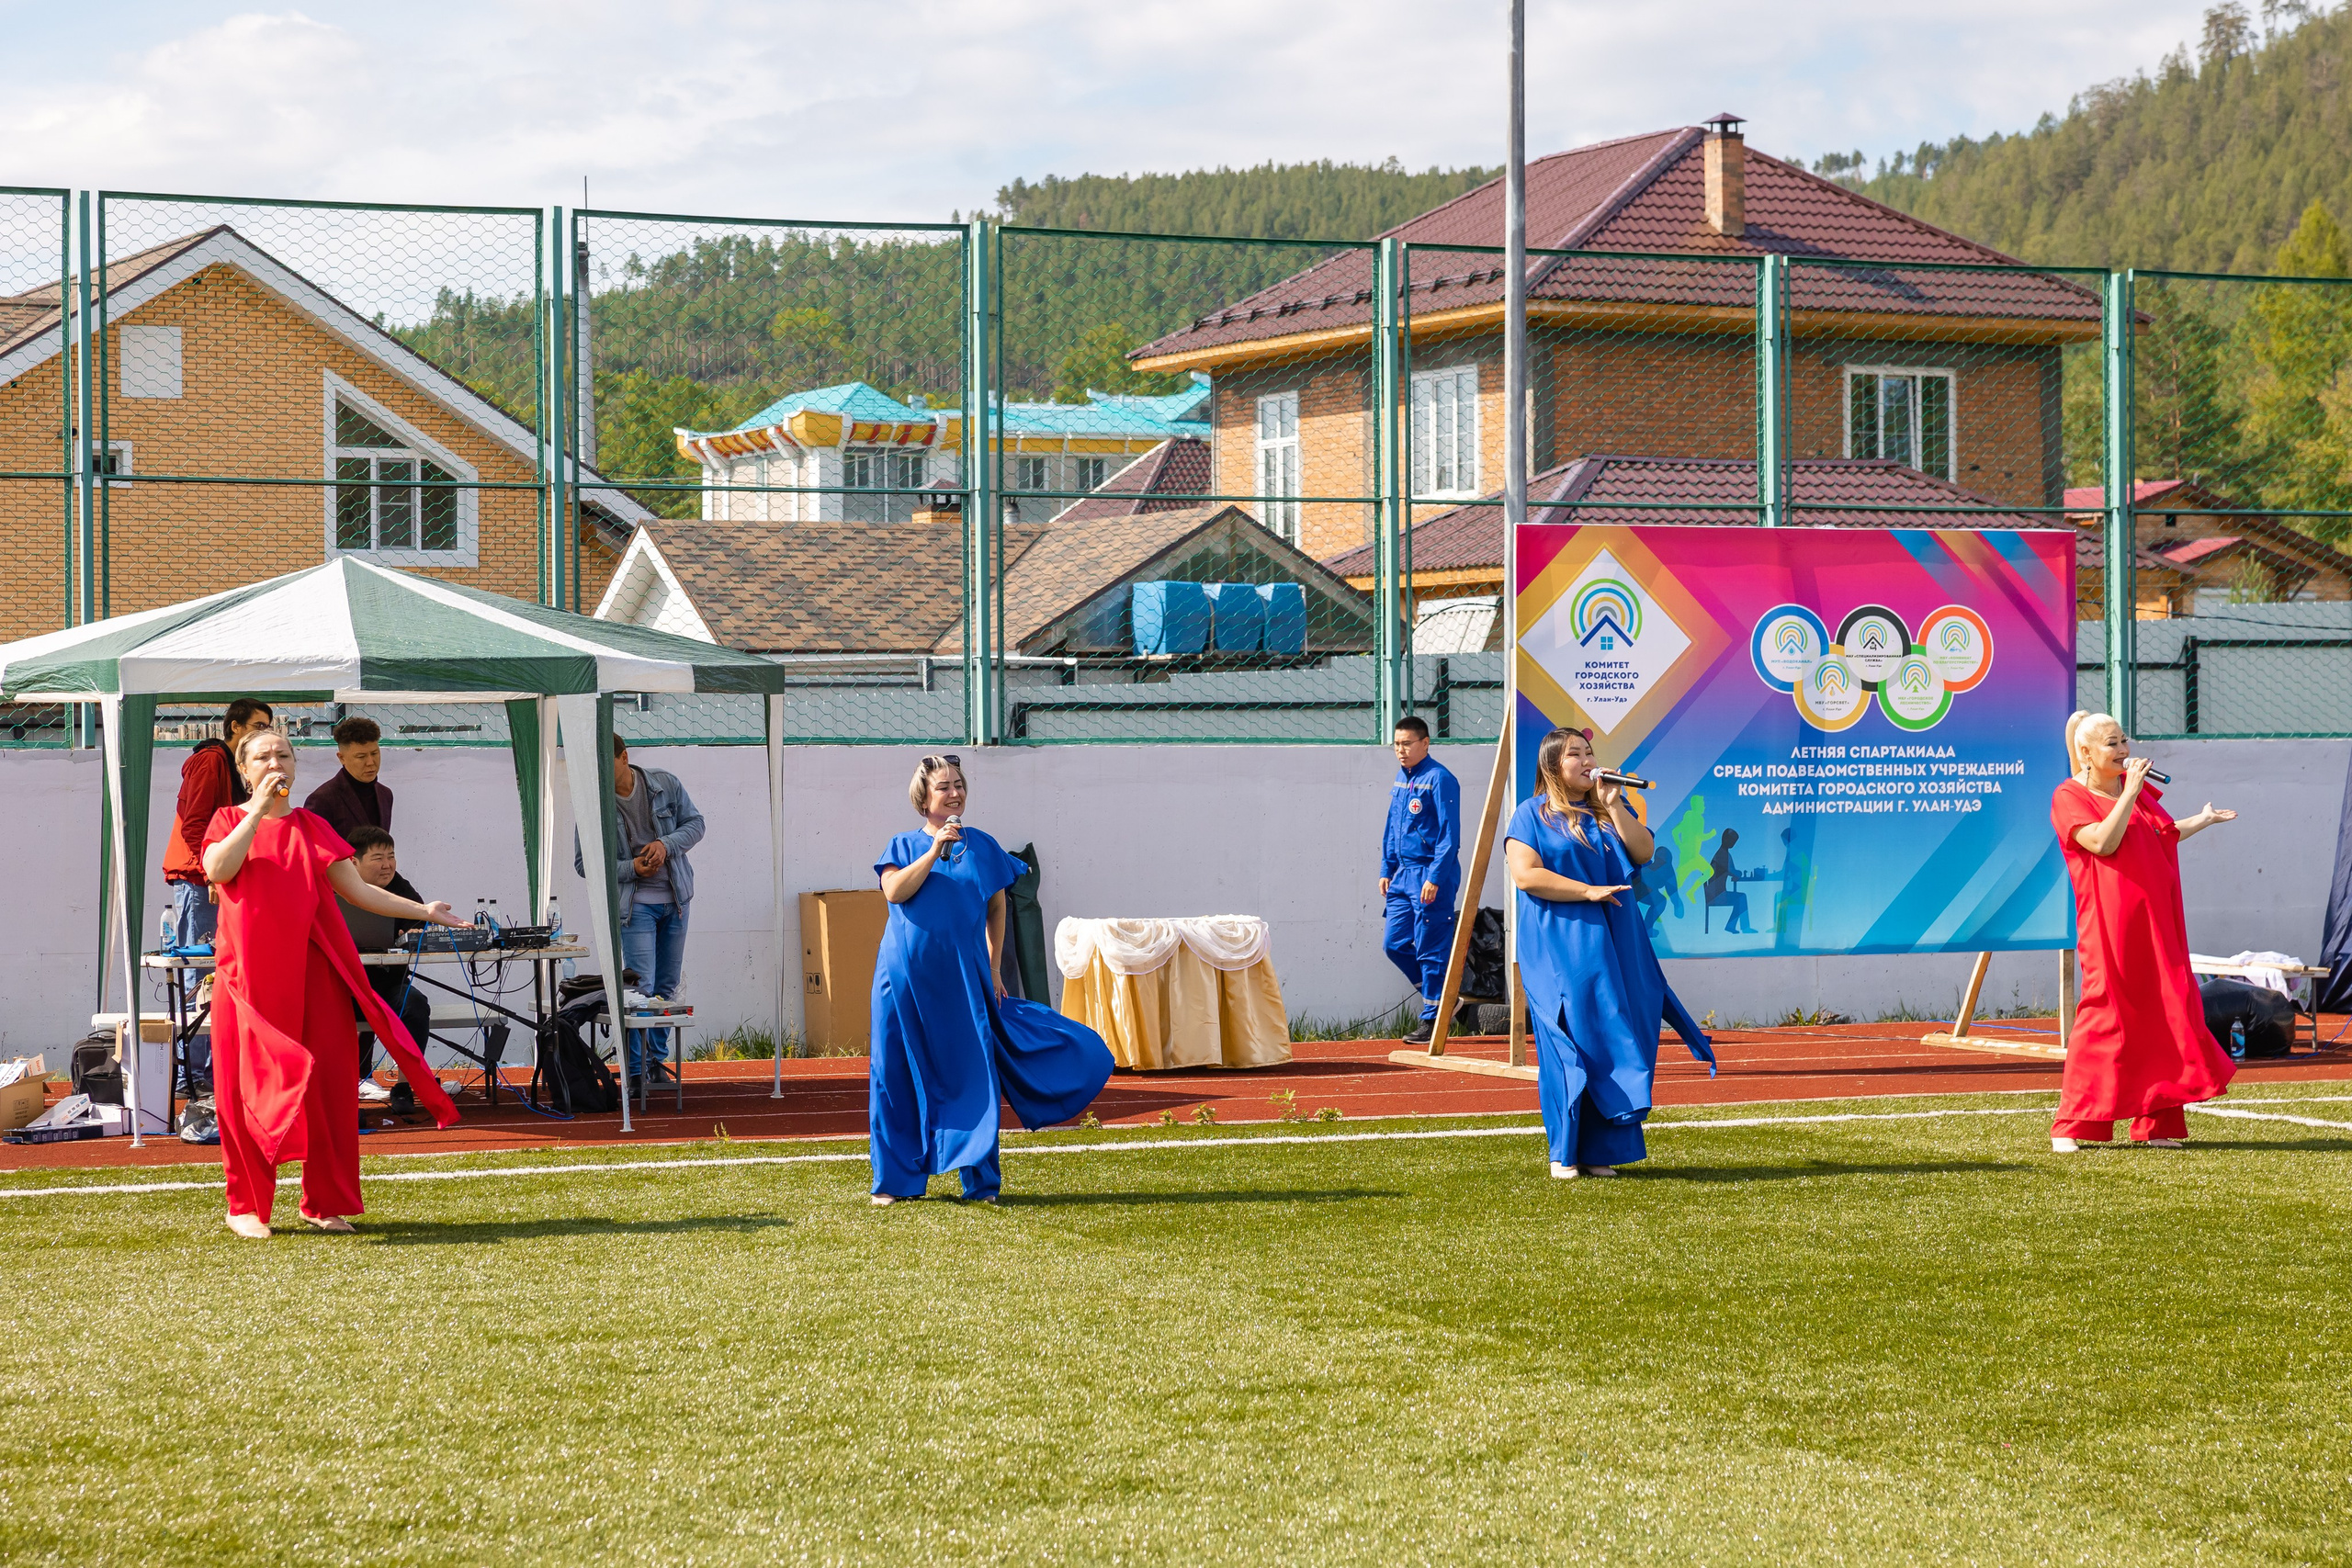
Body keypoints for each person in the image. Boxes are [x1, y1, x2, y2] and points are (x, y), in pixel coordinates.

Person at [201, 728, 467, 1238]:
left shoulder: (313, 826)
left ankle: (323, 1201)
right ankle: (246, 1206)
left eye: (284, 754)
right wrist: (256, 811)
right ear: (244, 770)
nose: (275, 762)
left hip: (314, 976)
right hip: (248, 981)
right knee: (245, 1091)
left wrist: (423, 910)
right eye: (263, 756)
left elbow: (361, 892)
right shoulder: (229, 820)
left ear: (296, 765)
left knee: (328, 1088)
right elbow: (219, 867)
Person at [868, 754, 1113, 1206]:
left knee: (972, 1073)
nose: (955, 792)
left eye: (960, 784)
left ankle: (980, 1184)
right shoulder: (902, 846)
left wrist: (995, 967)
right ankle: (895, 1183)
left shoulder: (982, 846)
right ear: (924, 798)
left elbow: (997, 908)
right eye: (944, 787)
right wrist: (934, 849)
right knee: (894, 1076)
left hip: (965, 979)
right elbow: (895, 891)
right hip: (901, 982)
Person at [1506, 727, 1714, 1179]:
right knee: (1571, 1040)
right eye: (1575, 754)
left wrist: (1616, 803)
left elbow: (1644, 850)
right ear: (1552, 766)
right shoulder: (1530, 815)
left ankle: (1604, 1151)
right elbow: (1526, 876)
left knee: (1618, 1034)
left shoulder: (1606, 813)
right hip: (1561, 940)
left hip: (1617, 938)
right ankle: (1565, 1151)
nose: (1587, 760)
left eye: (1590, 752)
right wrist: (1586, 891)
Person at [2049, 711, 2238, 1152]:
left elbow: (2161, 835)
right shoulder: (2069, 795)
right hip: (2109, 925)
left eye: (2123, 741)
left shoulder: (2136, 795)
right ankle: (2075, 1124)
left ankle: (2157, 1122)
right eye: (2112, 743)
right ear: (2086, 753)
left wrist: (2202, 820)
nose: (2123, 750)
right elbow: (2102, 842)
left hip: (2157, 921)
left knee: (2164, 1010)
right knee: (2105, 1014)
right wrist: (2130, 792)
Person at [572, 733, 704, 1084]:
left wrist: (665, 844)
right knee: (639, 989)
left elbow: (696, 824)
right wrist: (632, 868)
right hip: (634, 908)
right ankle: (635, 1070)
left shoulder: (665, 784)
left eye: (606, 763)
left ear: (624, 757)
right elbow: (585, 863)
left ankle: (656, 1062)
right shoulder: (593, 802)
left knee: (666, 986)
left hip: (676, 900)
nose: (599, 772)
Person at [160, 699, 275, 1089]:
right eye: (258, 726)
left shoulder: (236, 765)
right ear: (235, 726)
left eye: (269, 727)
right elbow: (196, 824)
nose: (263, 733)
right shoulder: (211, 760)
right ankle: (192, 1076)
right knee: (198, 972)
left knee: (219, 971)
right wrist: (210, 876)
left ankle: (212, 1070)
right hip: (199, 880)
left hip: (214, 878)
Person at [1379, 716, 1462, 1044]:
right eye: (1397, 744)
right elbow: (1392, 827)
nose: (1401, 750)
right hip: (1403, 876)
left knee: (1430, 948)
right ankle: (1443, 998)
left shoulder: (1440, 778)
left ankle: (1433, 1017)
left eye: (1407, 744)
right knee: (1395, 945)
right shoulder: (1402, 777)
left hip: (1430, 874)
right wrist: (1387, 869)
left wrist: (1436, 877)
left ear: (1425, 743)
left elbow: (1449, 835)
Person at [338, 826, 432, 1106]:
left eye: (391, 856)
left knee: (415, 1004)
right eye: (378, 858)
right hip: (341, 986)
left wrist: (411, 935)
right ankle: (338, 1090)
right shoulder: (334, 885)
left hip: (387, 985)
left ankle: (404, 1086)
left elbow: (418, 926)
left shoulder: (399, 887)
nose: (387, 865)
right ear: (353, 862)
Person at [303, 715, 393, 842]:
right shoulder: (321, 800)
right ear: (341, 758)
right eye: (361, 756)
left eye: (375, 753)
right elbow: (313, 852)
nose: (370, 762)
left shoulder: (385, 795)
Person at [1704, 828, 1756, 933]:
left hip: (1717, 893)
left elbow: (1730, 871)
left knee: (1740, 898)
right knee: (1741, 897)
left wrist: (1735, 873)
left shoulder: (1724, 854)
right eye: (1732, 840)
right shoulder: (1722, 855)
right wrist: (1738, 873)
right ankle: (1741, 927)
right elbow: (1732, 871)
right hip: (1716, 896)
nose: (1733, 843)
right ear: (1726, 839)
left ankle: (1732, 926)